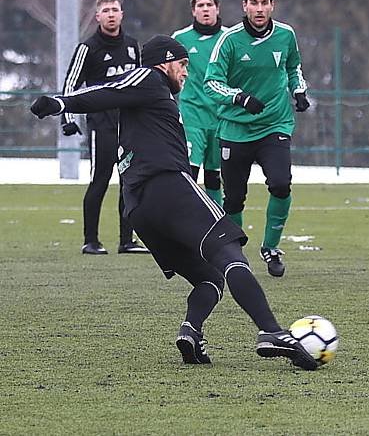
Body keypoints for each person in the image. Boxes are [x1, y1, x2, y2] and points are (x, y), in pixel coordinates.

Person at [30, 35, 318, 370]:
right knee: (229, 253)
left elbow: (113, 93)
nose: (185, 73)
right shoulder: (148, 78)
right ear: (164, 62)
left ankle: (191, 332)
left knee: (209, 276)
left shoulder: (154, 96)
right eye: (182, 65)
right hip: (166, 185)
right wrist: (61, 103)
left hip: (139, 208)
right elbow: (106, 90)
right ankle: (270, 332)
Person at [204, 0, 310, 278]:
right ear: (244, 6)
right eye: (254, 3)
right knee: (234, 198)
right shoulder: (230, 40)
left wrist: (299, 91)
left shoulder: (286, 35)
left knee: (280, 183)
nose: (260, 8)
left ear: (272, 6)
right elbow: (211, 83)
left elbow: (294, 69)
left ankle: (271, 247)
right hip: (235, 129)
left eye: (265, 3)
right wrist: (239, 97)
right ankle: (233, 253)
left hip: (274, 125)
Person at [61, 0, 148, 255]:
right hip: (102, 125)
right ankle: (91, 240)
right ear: (97, 16)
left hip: (130, 127)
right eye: (106, 10)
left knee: (130, 181)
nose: (111, 14)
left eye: (115, 9)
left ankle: (127, 240)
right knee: (100, 180)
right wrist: (67, 119)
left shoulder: (133, 46)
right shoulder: (87, 48)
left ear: (122, 14)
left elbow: (144, 84)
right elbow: (70, 85)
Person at [171, 0, 227, 207]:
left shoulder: (229, 38)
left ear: (217, 9)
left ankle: (217, 224)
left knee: (215, 176)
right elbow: (169, 71)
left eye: (209, 5)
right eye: (200, 6)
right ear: (193, 11)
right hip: (192, 115)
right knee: (189, 172)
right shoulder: (180, 38)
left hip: (221, 116)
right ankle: (185, 222)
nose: (205, 10)